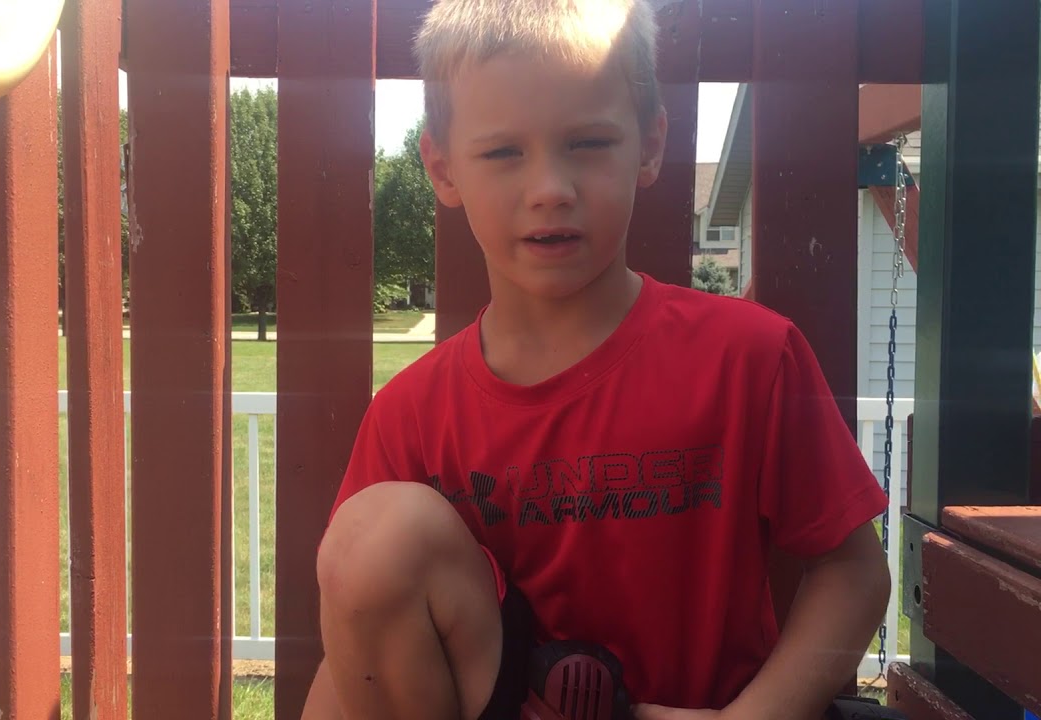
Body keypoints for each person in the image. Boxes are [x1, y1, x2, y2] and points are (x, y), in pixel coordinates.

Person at [301, 0, 892, 718]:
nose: (550, 188)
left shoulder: (750, 358)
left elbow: (852, 569)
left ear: (648, 147)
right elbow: (358, 635)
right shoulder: (411, 417)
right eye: (503, 152)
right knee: (373, 536)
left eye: (586, 143)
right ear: (443, 168)